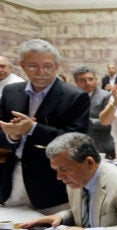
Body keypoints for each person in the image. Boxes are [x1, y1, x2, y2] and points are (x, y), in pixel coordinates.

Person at [0, 39, 89, 211]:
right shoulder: (11, 92)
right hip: (14, 176)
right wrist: (12, 135)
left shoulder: (75, 96)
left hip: (54, 180)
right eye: (33, 66)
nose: (41, 72)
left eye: (47, 66)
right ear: (22, 65)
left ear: (57, 66)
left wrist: (32, 129)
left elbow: (77, 141)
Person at [73, 66, 114, 158]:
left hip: (101, 147)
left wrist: (84, 121)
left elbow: (109, 123)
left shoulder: (106, 96)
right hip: (78, 148)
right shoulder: (73, 97)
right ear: (76, 82)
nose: (88, 83)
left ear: (96, 79)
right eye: (83, 80)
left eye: (90, 79)